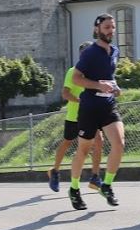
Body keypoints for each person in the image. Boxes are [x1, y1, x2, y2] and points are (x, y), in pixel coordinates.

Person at [68, 15, 126, 210]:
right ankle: (74, 189)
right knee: (84, 150)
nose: (111, 31)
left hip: (108, 105)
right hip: (90, 107)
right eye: (107, 27)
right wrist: (98, 86)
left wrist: (115, 87)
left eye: (113, 27)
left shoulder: (115, 51)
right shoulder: (90, 53)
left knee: (119, 144)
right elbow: (76, 79)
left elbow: (109, 76)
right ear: (97, 30)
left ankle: (107, 185)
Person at [47, 45, 105, 193]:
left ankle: (95, 176)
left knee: (99, 141)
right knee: (67, 142)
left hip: (92, 115)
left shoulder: (95, 73)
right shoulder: (73, 72)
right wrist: (81, 101)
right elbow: (65, 94)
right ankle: (55, 171)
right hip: (75, 116)